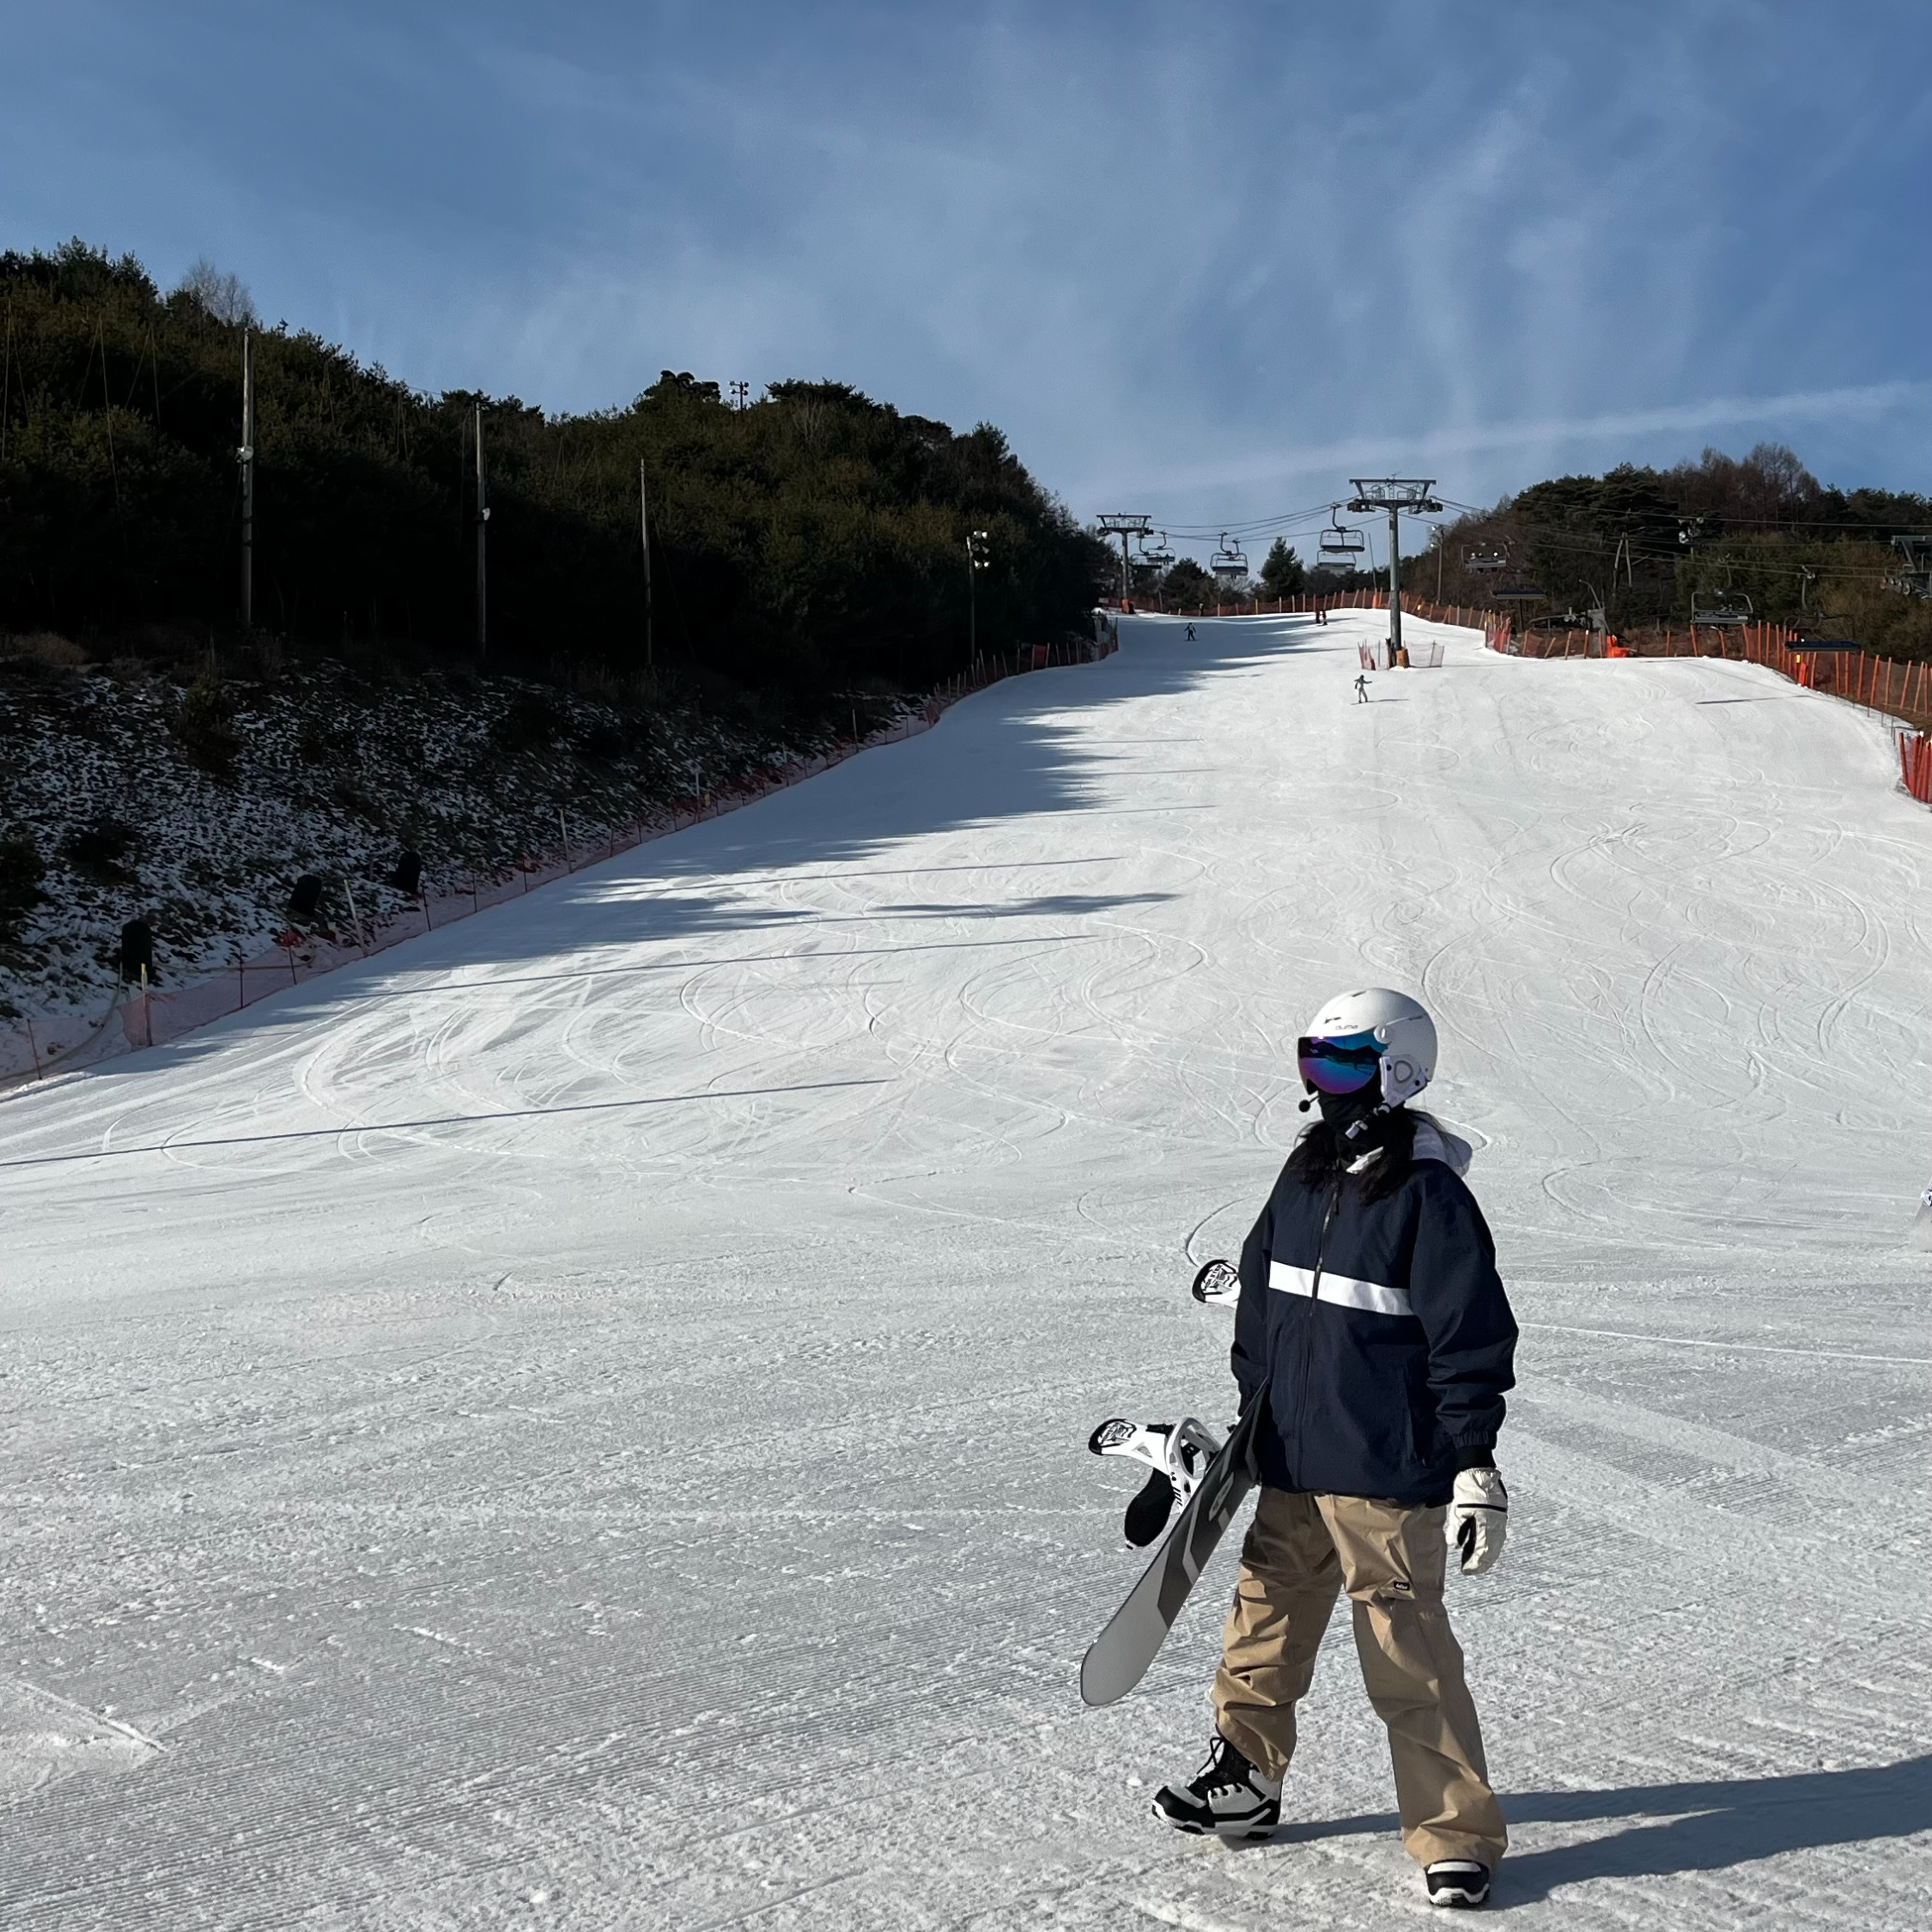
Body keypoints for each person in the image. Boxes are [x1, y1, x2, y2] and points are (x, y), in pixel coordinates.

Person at [1151, 987, 1516, 1911]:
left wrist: (1472, 1459)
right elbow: (1263, 1311)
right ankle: (1246, 1777)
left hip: (1386, 1466)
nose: (1327, 1085)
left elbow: (1470, 1335)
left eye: (1347, 1065)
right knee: (1261, 1623)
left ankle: (1453, 1832)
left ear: (1399, 1071)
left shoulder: (1428, 1195)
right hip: (1293, 1456)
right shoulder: (1304, 1178)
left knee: (1407, 1652)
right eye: (1316, 1063)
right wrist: (1253, 1413)